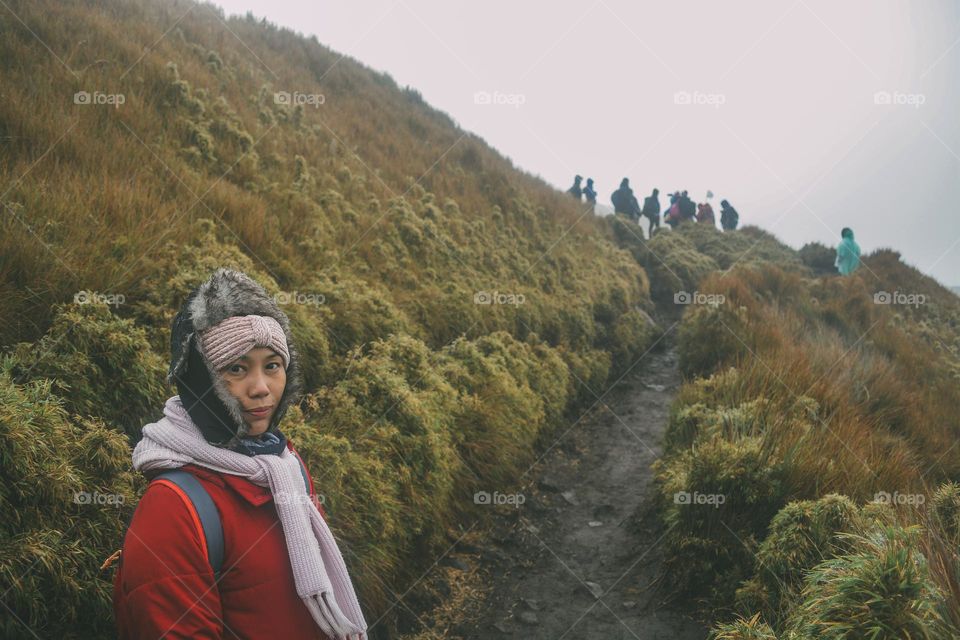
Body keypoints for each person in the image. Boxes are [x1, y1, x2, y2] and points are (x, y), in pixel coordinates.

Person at [112, 268, 368, 640]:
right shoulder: (173, 507)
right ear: (201, 380)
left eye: (272, 366)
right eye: (236, 368)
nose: (261, 388)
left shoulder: (283, 463)